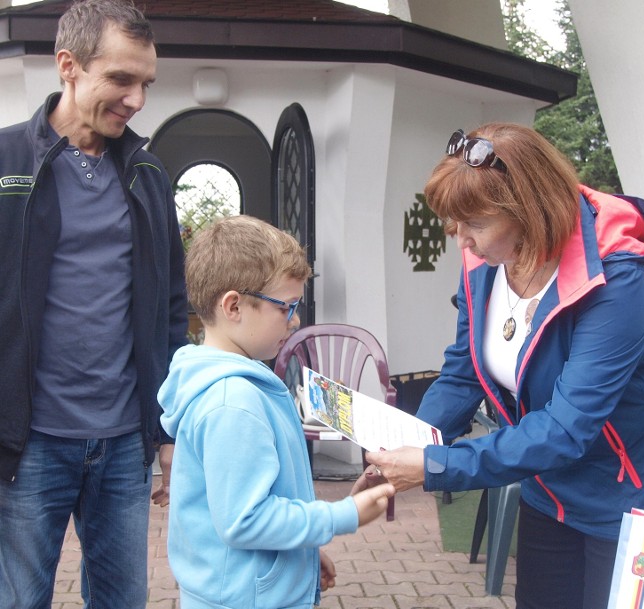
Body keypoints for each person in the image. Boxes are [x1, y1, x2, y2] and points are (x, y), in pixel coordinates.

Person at [360, 123, 644, 609]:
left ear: (527, 210)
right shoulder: (485, 258)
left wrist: (435, 467)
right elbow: (463, 368)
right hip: (549, 489)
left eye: (473, 224)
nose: (462, 242)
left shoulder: (618, 279)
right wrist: (403, 447)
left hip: (633, 500)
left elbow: (565, 428)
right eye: (453, 225)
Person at [0, 0, 187, 607]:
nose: (136, 99)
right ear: (68, 66)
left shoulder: (149, 174)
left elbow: (170, 312)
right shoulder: (5, 164)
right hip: (27, 445)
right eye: (121, 79)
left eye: (146, 84)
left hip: (122, 445)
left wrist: (166, 433)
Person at [158, 215, 395, 609]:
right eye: (286, 307)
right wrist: (341, 515)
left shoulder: (235, 386)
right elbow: (246, 520)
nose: (296, 319)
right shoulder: (232, 402)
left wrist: (301, 553)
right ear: (233, 305)